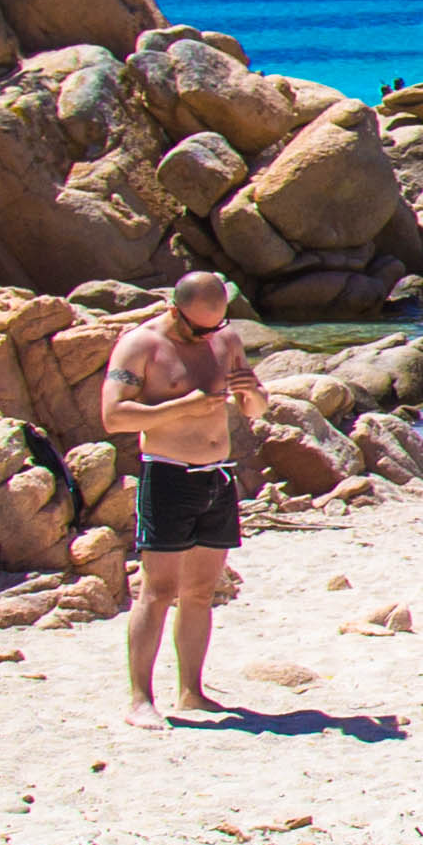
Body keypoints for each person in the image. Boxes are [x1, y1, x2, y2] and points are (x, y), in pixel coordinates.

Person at [101, 270, 268, 719]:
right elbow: (114, 416)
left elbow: (254, 407)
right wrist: (182, 407)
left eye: (215, 326)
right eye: (198, 328)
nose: (208, 336)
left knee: (199, 591)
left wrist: (252, 394)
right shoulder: (142, 345)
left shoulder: (225, 339)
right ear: (175, 310)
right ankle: (140, 699)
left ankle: (191, 692)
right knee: (157, 591)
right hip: (169, 476)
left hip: (217, 477)